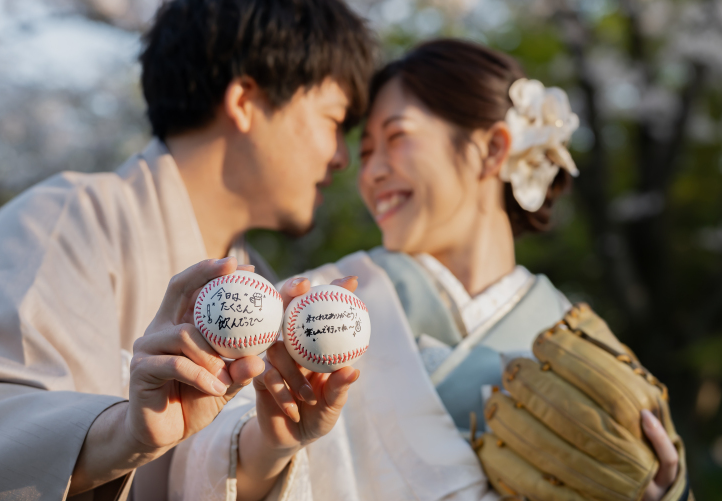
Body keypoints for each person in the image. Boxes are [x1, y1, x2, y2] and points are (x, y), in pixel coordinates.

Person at [0, 0, 375, 499]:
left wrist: (270, 446)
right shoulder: (68, 219)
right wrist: (126, 433)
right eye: (332, 121)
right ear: (245, 101)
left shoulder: (263, 292)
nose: (341, 157)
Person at [170, 39, 687, 500]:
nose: (371, 173)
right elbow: (198, 465)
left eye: (396, 137)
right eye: (366, 152)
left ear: (493, 148)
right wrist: (271, 444)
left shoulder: (573, 332)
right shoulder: (312, 307)